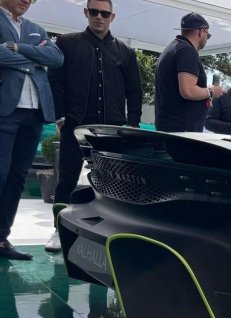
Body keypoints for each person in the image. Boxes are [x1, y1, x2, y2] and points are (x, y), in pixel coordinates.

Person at [45, 0, 143, 253]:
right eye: (94, 11)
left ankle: (107, 233)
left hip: (110, 130)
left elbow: (134, 90)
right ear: (86, 12)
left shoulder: (125, 52)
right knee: (66, 180)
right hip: (74, 125)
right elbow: (54, 80)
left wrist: (133, 124)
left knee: (111, 183)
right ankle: (58, 230)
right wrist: (59, 115)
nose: (99, 16)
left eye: (105, 13)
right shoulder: (67, 43)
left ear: (112, 17)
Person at [1, 0, 63, 260]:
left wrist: (17, 48)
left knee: (17, 178)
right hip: (4, 110)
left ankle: (1, 238)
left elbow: (56, 58)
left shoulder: (36, 28)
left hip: (34, 112)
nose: (27, 0)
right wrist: (34, 57)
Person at [155, 12, 225, 132]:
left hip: (170, 126)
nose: (207, 39)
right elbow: (188, 91)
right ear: (201, 32)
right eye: (208, 35)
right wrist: (212, 91)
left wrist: (204, 94)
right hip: (182, 130)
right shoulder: (187, 51)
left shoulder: (172, 48)